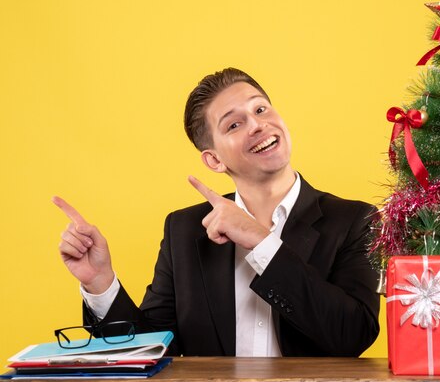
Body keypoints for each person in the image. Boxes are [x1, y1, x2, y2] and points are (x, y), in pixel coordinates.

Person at [53, 67, 380, 357]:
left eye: (261, 108)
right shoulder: (184, 230)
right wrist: (100, 282)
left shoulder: (355, 220)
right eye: (235, 124)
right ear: (214, 160)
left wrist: (261, 241)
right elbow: (152, 349)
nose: (257, 124)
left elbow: (352, 336)